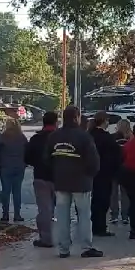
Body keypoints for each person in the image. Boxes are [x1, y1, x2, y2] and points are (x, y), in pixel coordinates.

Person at [45, 106, 103, 259]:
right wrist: (89, 175)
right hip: (81, 183)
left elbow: (47, 160)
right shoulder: (84, 137)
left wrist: (56, 174)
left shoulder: (53, 136)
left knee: (62, 216)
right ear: (77, 117)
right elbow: (94, 161)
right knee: (84, 215)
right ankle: (86, 247)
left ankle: (63, 249)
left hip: (61, 182)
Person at [25, 111, 58, 249]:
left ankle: (46, 239)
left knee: (45, 209)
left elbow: (27, 158)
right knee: (60, 209)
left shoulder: (36, 139)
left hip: (40, 177)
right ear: (56, 122)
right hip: (59, 178)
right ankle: (64, 238)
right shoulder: (59, 138)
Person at [89, 112, 121, 237]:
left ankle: (93, 225)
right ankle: (100, 227)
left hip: (90, 173)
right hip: (104, 173)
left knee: (93, 201)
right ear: (104, 121)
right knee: (103, 201)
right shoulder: (107, 138)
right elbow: (116, 155)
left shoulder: (89, 135)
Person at [0, 117, 28, 223]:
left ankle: (5, 214)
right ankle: (17, 215)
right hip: (19, 166)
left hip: (5, 166)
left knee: (5, 191)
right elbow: (27, 150)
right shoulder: (22, 137)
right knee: (17, 191)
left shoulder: (3, 137)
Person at [110, 118, 133, 224]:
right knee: (125, 193)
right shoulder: (131, 139)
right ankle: (125, 216)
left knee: (113, 193)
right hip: (127, 168)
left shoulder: (112, 137)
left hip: (114, 168)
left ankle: (114, 215)